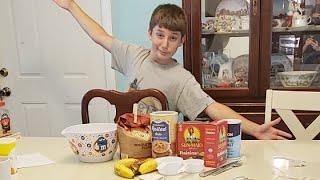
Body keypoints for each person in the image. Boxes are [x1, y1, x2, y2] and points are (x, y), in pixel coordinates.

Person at [53, 0, 292, 140]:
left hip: (161, 152)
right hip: (124, 142)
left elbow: (213, 108)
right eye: (160, 35)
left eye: (173, 38)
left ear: (182, 42)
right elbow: (100, 36)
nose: (165, 44)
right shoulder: (133, 54)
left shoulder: (182, 79)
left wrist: (254, 129)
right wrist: (72, 5)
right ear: (150, 33)